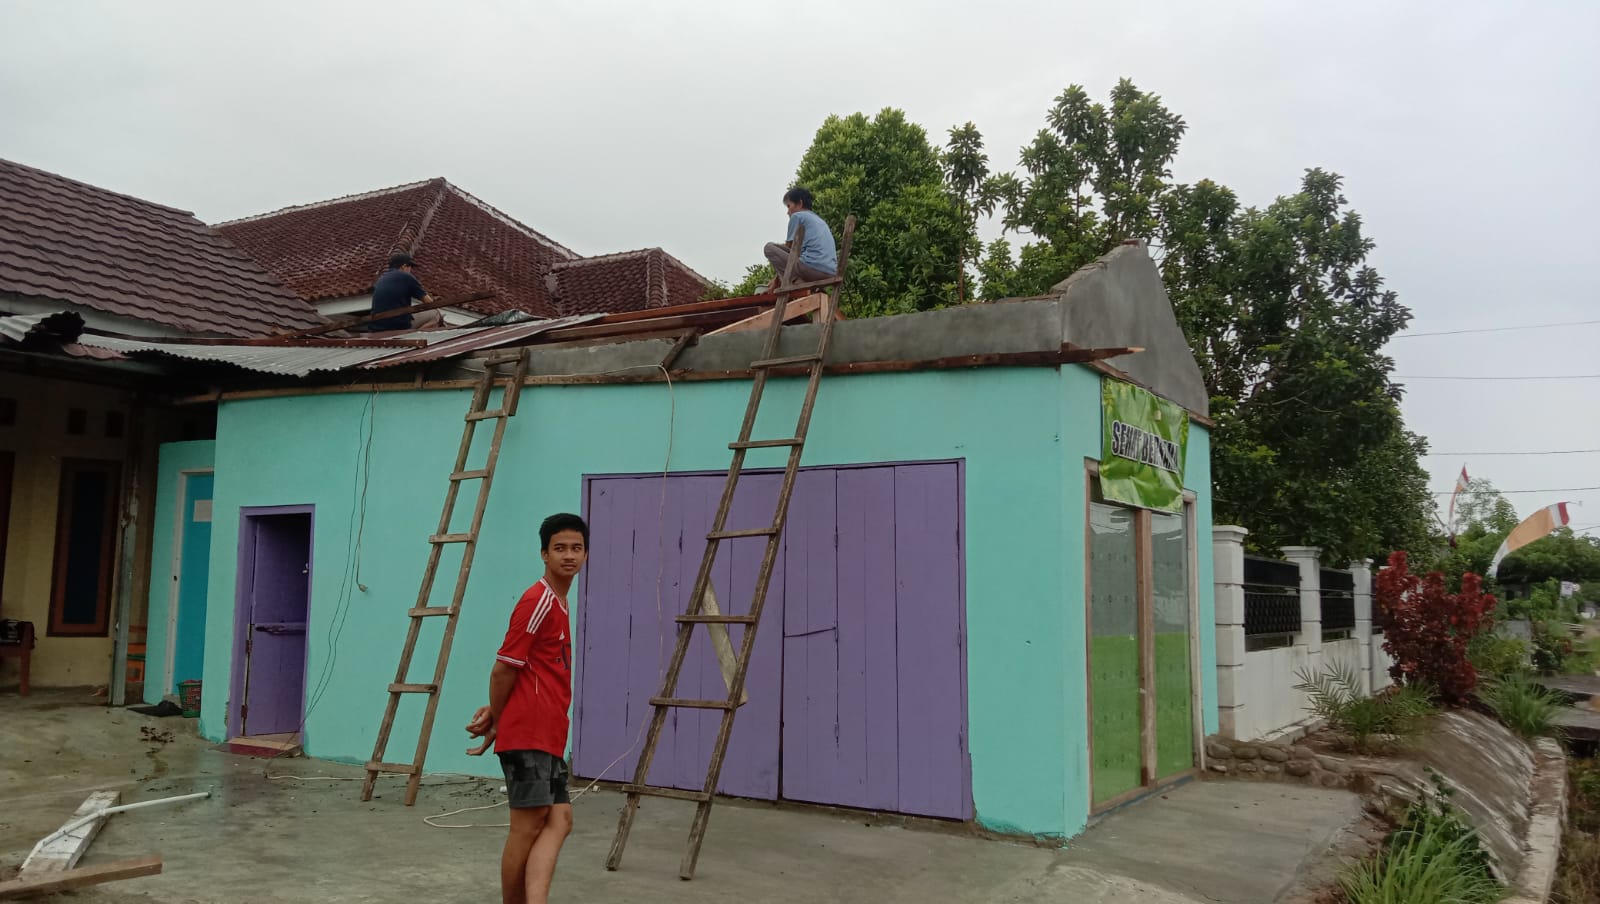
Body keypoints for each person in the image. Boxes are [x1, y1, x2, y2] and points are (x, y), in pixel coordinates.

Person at [465, 513, 588, 904]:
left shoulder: (561, 603)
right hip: (529, 731)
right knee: (527, 825)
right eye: (560, 549)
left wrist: (503, 709)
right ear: (544, 554)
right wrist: (501, 718)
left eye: (577, 548)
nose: (569, 556)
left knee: (560, 820)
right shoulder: (538, 601)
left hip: (548, 730)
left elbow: (530, 670)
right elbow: (504, 669)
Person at [762, 187, 837, 292]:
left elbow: (790, 248)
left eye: (789, 206)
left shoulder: (797, 216)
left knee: (769, 248)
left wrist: (776, 280)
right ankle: (803, 284)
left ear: (800, 203)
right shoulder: (819, 220)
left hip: (812, 268)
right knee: (785, 251)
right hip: (830, 272)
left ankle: (796, 283)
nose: (788, 212)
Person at [368, 252, 444, 331]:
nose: (410, 270)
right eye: (410, 267)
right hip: (398, 326)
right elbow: (429, 302)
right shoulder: (407, 277)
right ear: (404, 267)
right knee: (436, 314)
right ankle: (414, 335)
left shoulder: (381, 279)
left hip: (376, 326)